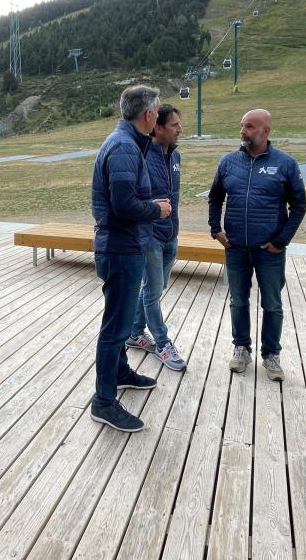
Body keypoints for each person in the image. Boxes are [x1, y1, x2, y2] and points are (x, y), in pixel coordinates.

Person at [89, 85, 173, 432]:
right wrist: (157, 208)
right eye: (157, 110)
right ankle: (103, 402)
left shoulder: (127, 142)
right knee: (115, 328)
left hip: (125, 247)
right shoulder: (124, 147)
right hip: (121, 249)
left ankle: (120, 373)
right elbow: (124, 205)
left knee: (121, 324)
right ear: (150, 115)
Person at [208, 109, 306, 381]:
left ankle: (271, 354)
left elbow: (299, 206)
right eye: (242, 126)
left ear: (266, 130)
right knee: (238, 301)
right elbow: (215, 197)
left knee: (272, 304)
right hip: (236, 248)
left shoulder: (285, 164)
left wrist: (281, 241)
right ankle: (241, 348)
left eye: (250, 126)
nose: (243, 131)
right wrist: (215, 229)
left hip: (269, 251)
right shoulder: (228, 162)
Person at [126, 104, 187, 371]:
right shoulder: (139, 156)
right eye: (174, 125)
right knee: (152, 292)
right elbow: (132, 199)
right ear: (158, 127)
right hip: (148, 236)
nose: (179, 129)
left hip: (170, 233)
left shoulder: (176, 157)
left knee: (155, 288)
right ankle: (162, 343)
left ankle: (135, 332)